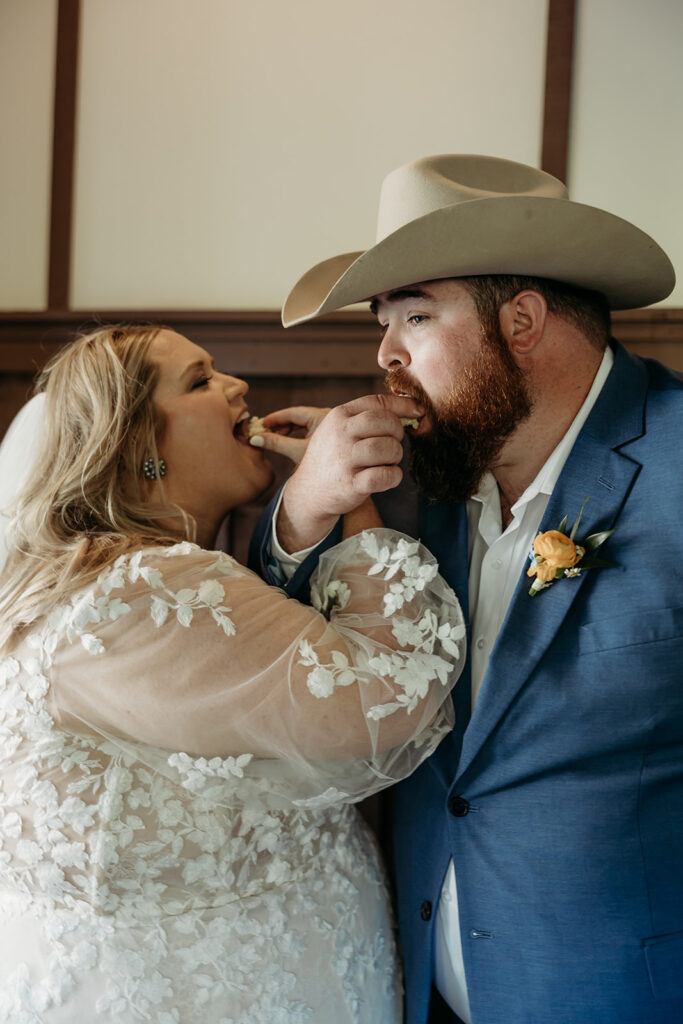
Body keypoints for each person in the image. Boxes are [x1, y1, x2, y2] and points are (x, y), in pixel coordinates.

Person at [249, 154, 683, 1024]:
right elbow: (294, 669)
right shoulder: (409, 485)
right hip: (424, 995)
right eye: (382, 320)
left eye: (414, 314)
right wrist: (301, 511)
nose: (384, 354)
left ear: (520, 319)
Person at [0, 323, 467, 1023]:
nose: (237, 386)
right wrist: (352, 502)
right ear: (139, 451)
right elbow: (385, 696)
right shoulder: (139, 592)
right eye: (200, 380)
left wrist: (314, 504)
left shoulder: (126, 580)